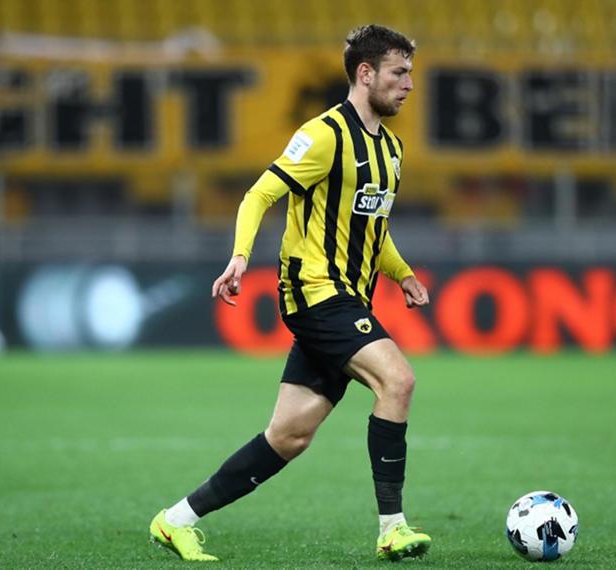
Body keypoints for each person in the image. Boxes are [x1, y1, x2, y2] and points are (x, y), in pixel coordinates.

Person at [149, 24, 431, 562]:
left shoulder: (392, 149)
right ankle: (392, 527)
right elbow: (259, 195)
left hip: (351, 295)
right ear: (365, 73)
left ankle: (175, 519)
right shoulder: (324, 135)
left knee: (288, 436)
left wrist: (401, 273)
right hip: (315, 291)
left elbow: (371, 226)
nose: (408, 84)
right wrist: (239, 256)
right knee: (397, 380)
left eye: (410, 74)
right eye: (399, 73)